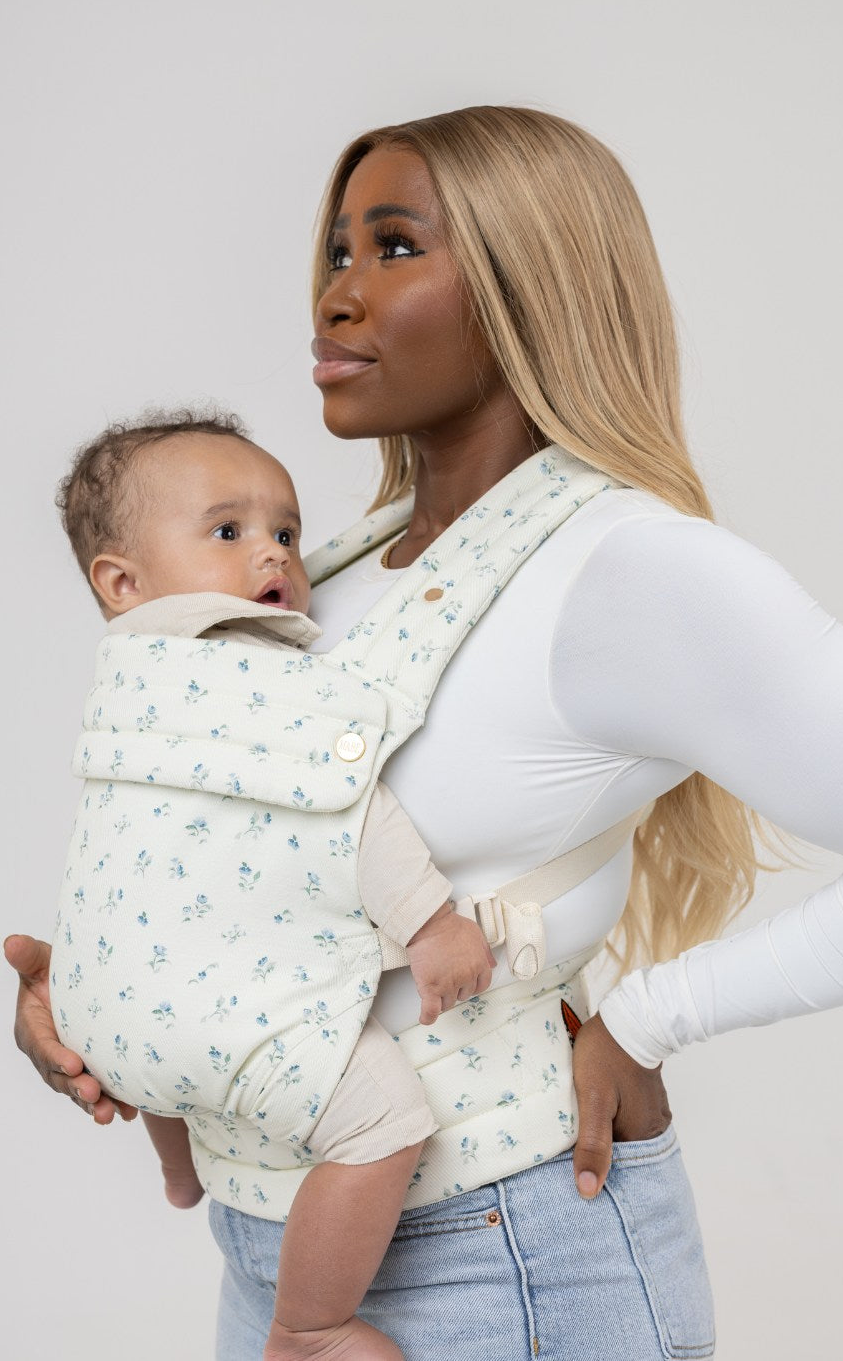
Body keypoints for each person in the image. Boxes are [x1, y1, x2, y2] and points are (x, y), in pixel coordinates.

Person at [6, 106, 843, 1361]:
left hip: (503, 1257)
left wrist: (656, 1018)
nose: (336, 298)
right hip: (273, 1259)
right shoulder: (325, 581)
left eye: (391, 249)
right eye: (333, 252)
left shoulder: (633, 572)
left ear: (523, 288)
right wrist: (100, 993)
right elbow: (263, 858)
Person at [49, 409, 496, 1359]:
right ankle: (311, 1324)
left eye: (285, 532)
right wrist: (431, 923)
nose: (277, 556)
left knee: (164, 1024)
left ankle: (181, 1172)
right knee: (384, 1120)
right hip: (243, 1036)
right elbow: (350, 809)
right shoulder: (264, 671)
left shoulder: (124, 677)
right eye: (229, 532)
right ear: (121, 581)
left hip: (103, 1014)